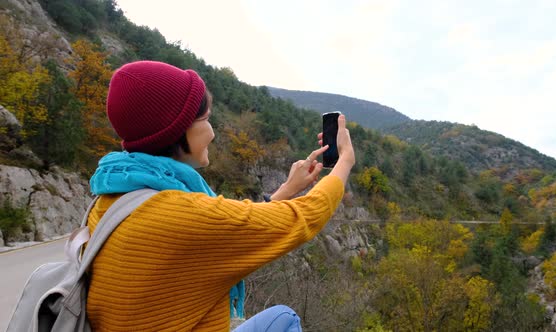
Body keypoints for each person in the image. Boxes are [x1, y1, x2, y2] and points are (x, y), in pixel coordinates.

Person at [86, 60, 355, 331]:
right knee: (285, 319)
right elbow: (302, 217)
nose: (212, 132)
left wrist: (287, 189)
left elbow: (229, 228)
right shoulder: (180, 216)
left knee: (283, 318)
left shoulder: (114, 197)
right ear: (175, 130)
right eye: (204, 119)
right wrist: (344, 161)